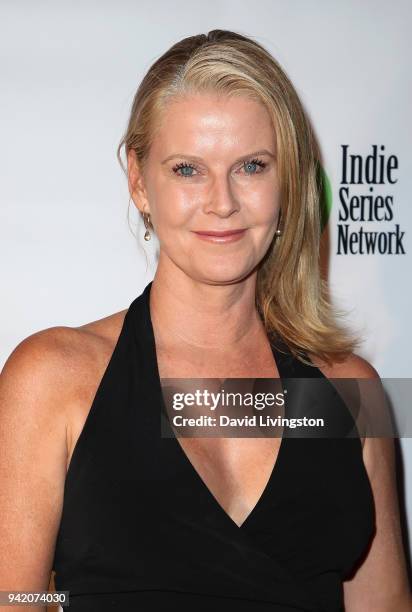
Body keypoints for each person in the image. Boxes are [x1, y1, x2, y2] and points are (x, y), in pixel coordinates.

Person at [0, 29, 411, 612]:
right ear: (140, 182)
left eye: (251, 165)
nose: (222, 201)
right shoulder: (55, 379)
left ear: (289, 179)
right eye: (188, 169)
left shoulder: (349, 395)